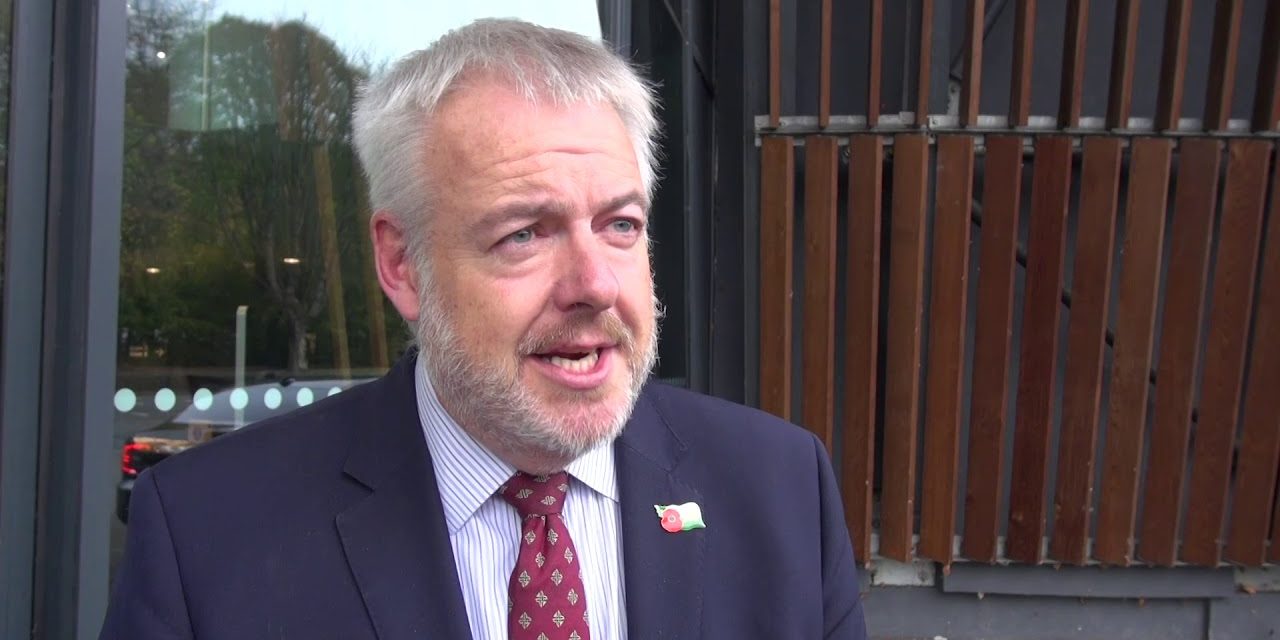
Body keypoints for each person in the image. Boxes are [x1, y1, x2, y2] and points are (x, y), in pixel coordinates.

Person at [101, 18, 867, 639]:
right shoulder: (209, 533)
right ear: (403, 265)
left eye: (621, 225)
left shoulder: (780, 490)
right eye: (524, 235)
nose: (595, 284)